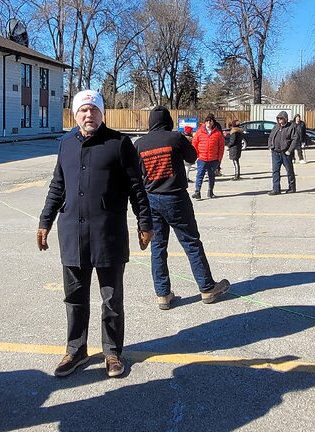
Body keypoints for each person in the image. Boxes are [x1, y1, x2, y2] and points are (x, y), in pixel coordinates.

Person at [38, 90, 153, 379]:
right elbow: (57, 186)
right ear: (75, 114)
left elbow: (136, 187)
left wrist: (145, 222)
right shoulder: (65, 145)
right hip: (72, 235)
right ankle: (75, 350)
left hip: (108, 235)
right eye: (83, 110)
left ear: (102, 113)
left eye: (94, 110)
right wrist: (45, 220)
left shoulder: (119, 143)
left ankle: (112, 352)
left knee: (111, 299)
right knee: (74, 298)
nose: (89, 115)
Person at [134, 107, 231, 311]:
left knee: (158, 248)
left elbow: (137, 173)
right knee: (191, 243)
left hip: (151, 199)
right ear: (167, 121)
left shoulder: (140, 144)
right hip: (175, 197)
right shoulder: (175, 138)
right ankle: (206, 288)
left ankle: (163, 294)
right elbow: (192, 157)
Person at [192, 113, 225, 199]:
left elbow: (221, 147)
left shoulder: (217, 133)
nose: (208, 123)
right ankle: (197, 191)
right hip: (202, 158)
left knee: (211, 176)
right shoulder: (199, 132)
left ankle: (210, 192)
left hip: (213, 159)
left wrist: (219, 159)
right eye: (207, 121)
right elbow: (194, 143)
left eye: (210, 121)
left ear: (213, 122)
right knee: (200, 175)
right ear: (205, 122)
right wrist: (196, 155)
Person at [268, 111, 299, 195]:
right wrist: (271, 147)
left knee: (289, 171)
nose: (279, 120)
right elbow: (271, 137)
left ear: (285, 119)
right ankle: (276, 189)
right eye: (278, 118)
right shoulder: (276, 127)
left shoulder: (291, 127)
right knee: (275, 171)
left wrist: (289, 150)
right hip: (275, 153)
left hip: (286, 153)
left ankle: (292, 187)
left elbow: (295, 139)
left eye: (281, 118)